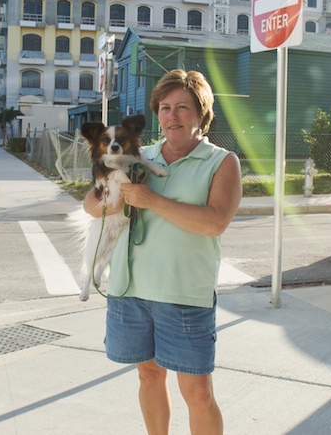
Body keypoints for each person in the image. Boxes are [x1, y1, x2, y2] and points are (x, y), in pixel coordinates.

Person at [82, 69, 241, 434]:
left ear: (201, 114)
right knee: (149, 376)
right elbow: (92, 205)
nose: (172, 115)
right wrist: (101, 197)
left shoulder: (222, 163)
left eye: (182, 107)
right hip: (130, 290)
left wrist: (152, 200)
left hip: (183, 293)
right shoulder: (138, 153)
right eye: (165, 107)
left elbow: (215, 223)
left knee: (198, 391)